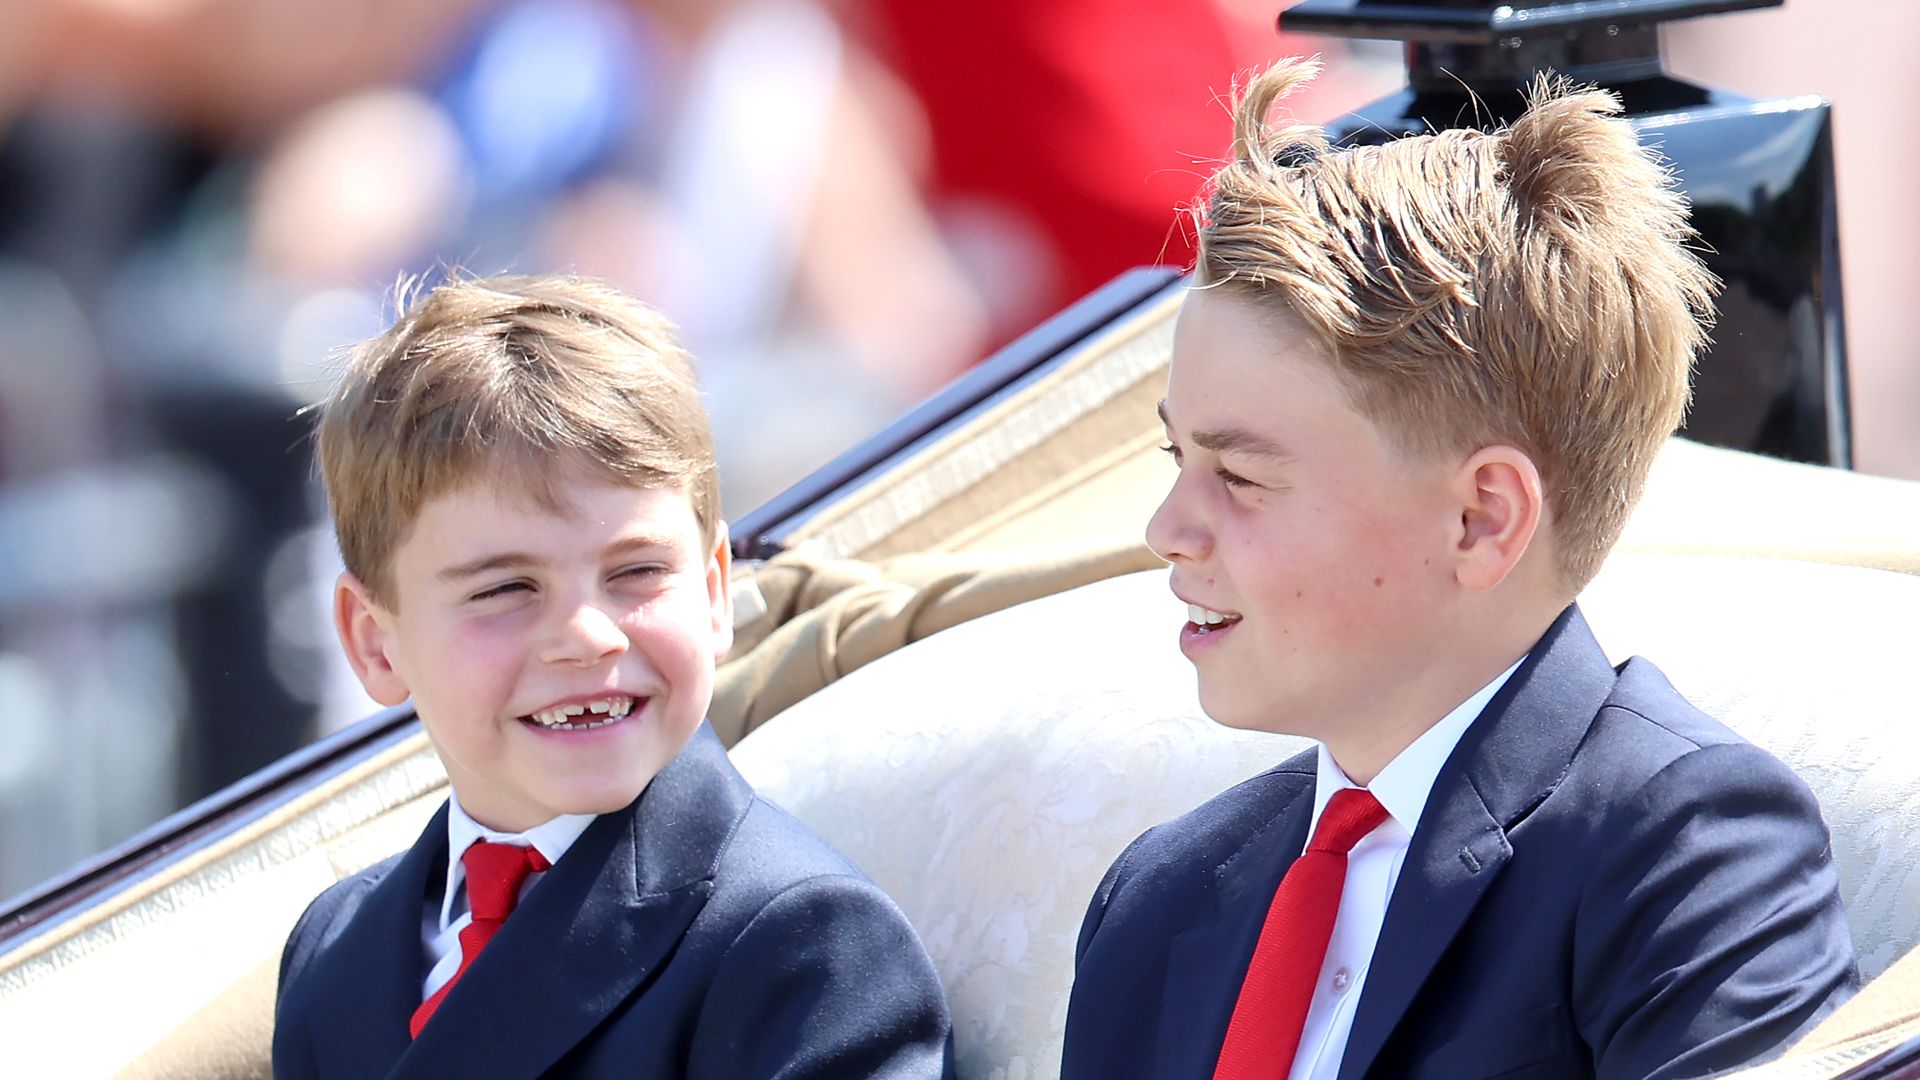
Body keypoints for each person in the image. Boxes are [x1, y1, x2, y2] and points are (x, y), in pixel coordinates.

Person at [1061, 59, 1859, 1080]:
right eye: (1180, 460)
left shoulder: (1683, 848)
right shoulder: (1161, 900)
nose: (1170, 527)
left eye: (1242, 475)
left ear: (1483, 519)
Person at [272, 274, 953, 1078]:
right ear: (376, 643)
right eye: (504, 589)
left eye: (636, 572)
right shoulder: (336, 947)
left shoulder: (802, 946)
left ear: (713, 593)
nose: (587, 636)